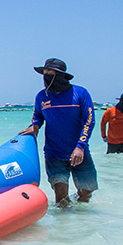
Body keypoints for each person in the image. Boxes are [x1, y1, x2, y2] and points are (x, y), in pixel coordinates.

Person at [18, 58, 96, 208]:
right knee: (60, 196)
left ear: (60, 75)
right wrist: (35, 126)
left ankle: (84, 226)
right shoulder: (41, 96)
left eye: (50, 73)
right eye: (44, 73)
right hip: (54, 152)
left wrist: (80, 146)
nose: (46, 77)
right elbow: (38, 116)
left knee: (86, 192)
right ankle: (65, 227)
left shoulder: (80, 93)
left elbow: (89, 120)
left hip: (79, 151)